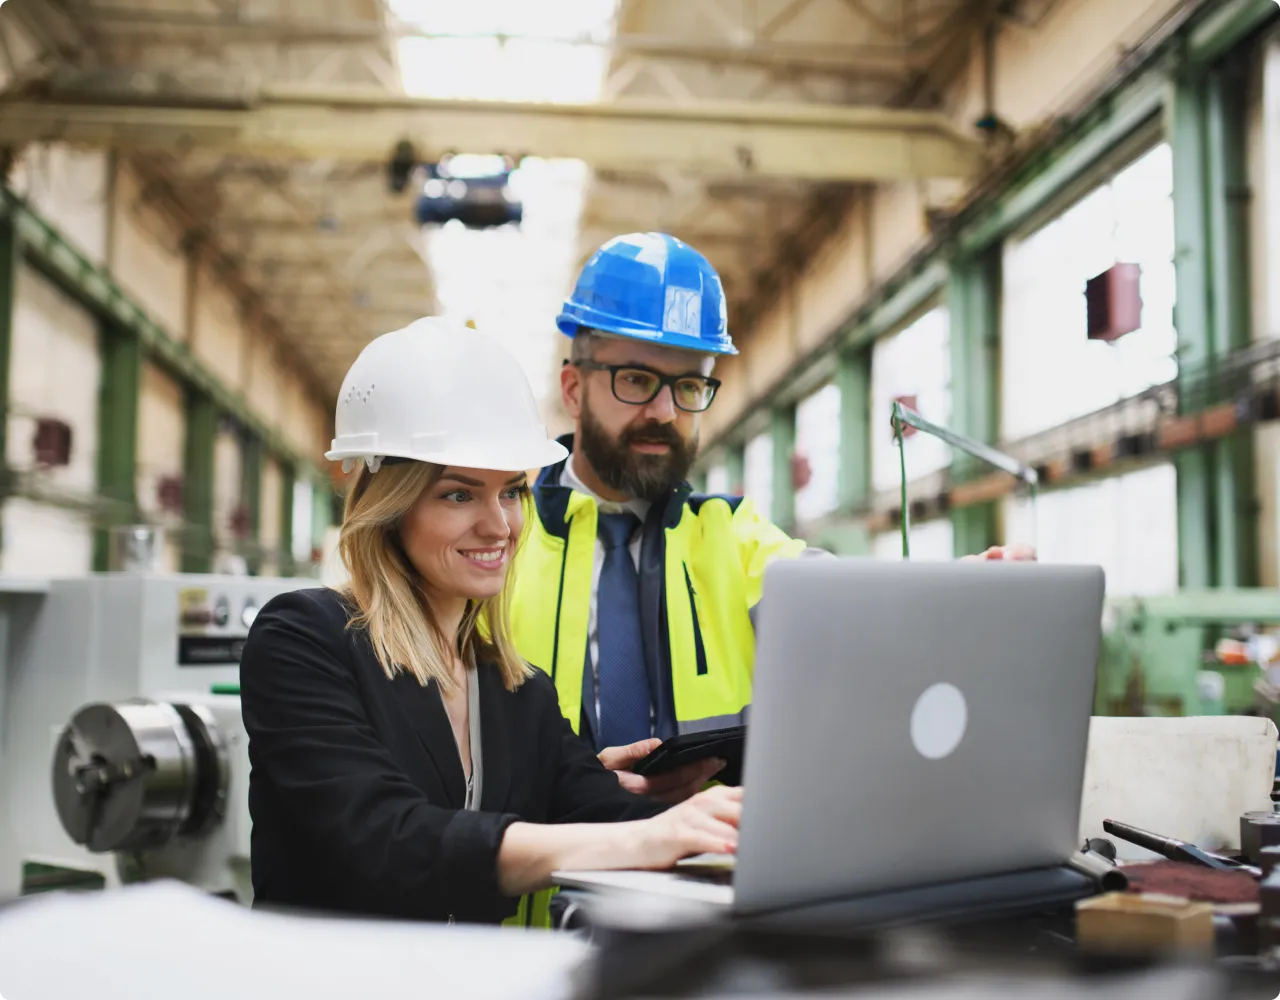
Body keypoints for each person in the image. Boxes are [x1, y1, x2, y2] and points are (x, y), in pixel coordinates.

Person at [238, 317, 743, 926]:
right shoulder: (304, 639)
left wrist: (743, 829)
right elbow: (385, 838)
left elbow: (611, 817)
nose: (499, 526)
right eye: (459, 494)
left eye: (511, 492)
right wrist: (636, 842)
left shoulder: (515, 689)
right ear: (389, 506)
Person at [510, 232, 1034, 803]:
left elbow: (847, 607)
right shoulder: (499, 543)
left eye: (688, 385)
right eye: (636, 379)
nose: (664, 412)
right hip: (542, 881)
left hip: (707, 875)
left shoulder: (733, 536)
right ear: (573, 388)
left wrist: (958, 598)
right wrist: (568, 794)